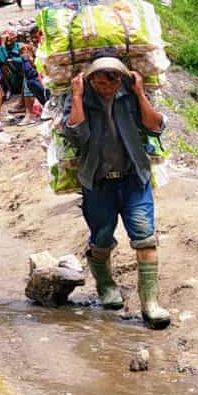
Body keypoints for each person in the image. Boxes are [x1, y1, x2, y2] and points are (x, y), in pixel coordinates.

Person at [62, 57, 169, 328]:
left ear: (119, 79)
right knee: (101, 239)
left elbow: (155, 126)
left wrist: (140, 93)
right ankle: (106, 284)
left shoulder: (130, 95)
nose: (104, 87)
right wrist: (76, 96)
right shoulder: (81, 96)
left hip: (134, 178)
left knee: (145, 238)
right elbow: (76, 135)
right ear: (90, 80)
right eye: (98, 81)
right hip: (98, 182)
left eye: (110, 81)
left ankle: (150, 303)